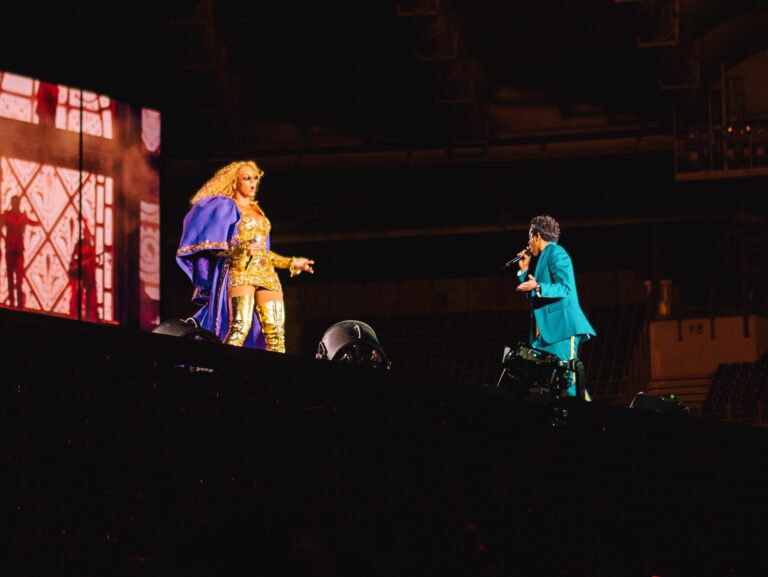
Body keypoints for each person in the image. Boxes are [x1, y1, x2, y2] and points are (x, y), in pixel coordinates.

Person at [176, 161, 314, 352]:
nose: (252, 183)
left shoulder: (258, 212)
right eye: (246, 178)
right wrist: (240, 249)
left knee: (276, 334)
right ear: (234, 183)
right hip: (240, 272)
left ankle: (277, 378)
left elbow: (263, 252)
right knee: (239, 327)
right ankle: (225, 373)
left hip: (267, 274)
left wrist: (291, 262)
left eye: (255, 178)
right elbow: (215, 247)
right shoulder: (226, 206)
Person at [515, 215, 596, 398]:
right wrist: (524, 271)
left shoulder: (556, 252)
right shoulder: (543, 260)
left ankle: (593, 418)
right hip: (546, 334)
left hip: (562, 329)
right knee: (542, 380)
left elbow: (566, 288)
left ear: (536, 235)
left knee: (570, 380)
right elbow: (537, 299)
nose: (528, 243)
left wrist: (538, 286)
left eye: (529, 237)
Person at [1, 195, 41, 309]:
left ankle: (17, 305)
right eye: (15, 203)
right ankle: (14, 304)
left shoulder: (14, 216)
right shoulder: (10, 216)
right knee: (12, 279)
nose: (15, 205)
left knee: (17, 280)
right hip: (12, 251)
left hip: (16, 251)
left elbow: (32, 222)